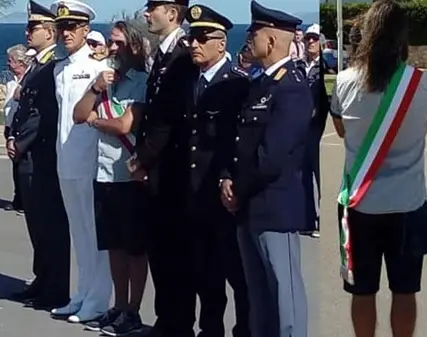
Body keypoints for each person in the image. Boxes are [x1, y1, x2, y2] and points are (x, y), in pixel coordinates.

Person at [330, 2, 427, 337]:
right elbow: (425, 125)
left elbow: (341, 131)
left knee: (362, 291)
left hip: (360, 204)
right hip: (408, 204)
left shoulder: (345, 82)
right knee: (405, 290)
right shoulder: (422, 84)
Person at [219, 1, 310, 336]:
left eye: (255, 32)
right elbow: (240, 143)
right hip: (248, 207)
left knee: (286, 300)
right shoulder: (259, 84)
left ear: (271, 41)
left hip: (275, 208)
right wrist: (226, 178)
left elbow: (271, 156)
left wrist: (236, 191)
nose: (250, 37)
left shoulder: (292, 89)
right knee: (260, 300)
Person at [72, 20, 149, 336]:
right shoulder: (103, 79)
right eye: (111, 42)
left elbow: (124, 125)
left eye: (118, 43)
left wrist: (95, 121)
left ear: (133, 45)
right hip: (103, 174)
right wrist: (94, 89)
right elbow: (78, 115)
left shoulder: (141, 80)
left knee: (134, 249)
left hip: (128, 175)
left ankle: (133, 310)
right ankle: (118, 306)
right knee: (113, 247)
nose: (112, 48)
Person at [183, 5, 251, 337]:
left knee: (238, 276)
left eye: (201, 38)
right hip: (196, 196)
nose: (194, 44)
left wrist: (232, 181)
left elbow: (240, 142)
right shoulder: (190, 82)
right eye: (191, 37)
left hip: (226, 196)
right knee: (204, 276)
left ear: (221, 43)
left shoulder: (237, 84)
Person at [128, 0, 194, 336]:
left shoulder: (182, 54)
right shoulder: (165, 52)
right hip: (160, 170)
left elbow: (168, 119)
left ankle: (177, 324)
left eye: (152, 7)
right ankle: (166, 321)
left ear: (172, 12)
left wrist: (144, 158)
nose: (145, 14)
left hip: (173, 170)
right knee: (161, 251)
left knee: (174, 252)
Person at [49, 0, 112, 323]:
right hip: (67, 159)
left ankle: (99, 299)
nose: (66, 34)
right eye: (61, 28)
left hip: (90, 160)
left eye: (72, 27)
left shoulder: (99, 65)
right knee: (79, 232)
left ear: (86, 30)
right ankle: (83, 291)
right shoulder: (61, 67)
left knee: (95, 232)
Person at [6, 0, 70, 310]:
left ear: (49, 31)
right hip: (29, 155)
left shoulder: (53, 65)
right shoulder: (38, 64)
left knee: (50, 225)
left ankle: (55, 288)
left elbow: (43, 114)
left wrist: (20, 141)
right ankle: (41, 279)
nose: (27, 32)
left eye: (33, 27)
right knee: (36, 223)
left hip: (43, 155)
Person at [300, 23, 329, 239]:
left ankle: (323, 221)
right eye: (308, 39)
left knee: (321, 176)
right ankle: (308, 219)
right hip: (302, 130)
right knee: (303, 175)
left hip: (320, 128)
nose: (310, 42)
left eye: (314, 39)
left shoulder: (326, 68)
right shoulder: (300, 67)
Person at [3, 43, 30, 213]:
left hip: (23, 128)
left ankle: (26, 200)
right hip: (10, 127)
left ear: (21, 63)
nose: (8, 63)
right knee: (15, 166)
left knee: (25, 166)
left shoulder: (29, 80)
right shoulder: (10, 81)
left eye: (11, 60)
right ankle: (18, 198)